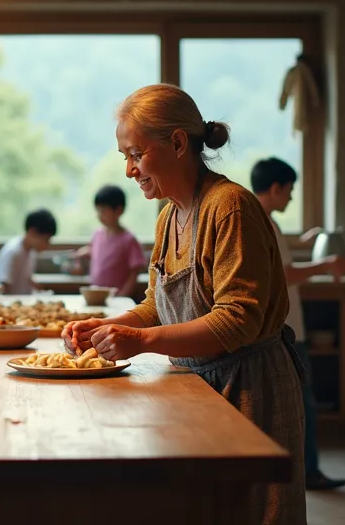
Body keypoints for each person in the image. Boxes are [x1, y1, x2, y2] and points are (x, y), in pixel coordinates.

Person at [63, 84, 306, 525]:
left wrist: (139, 340)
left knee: (254, 512)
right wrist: (104, 326)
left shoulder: (229, 207)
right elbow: (157, 304)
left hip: (250, 389)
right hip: (197, 385)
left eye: (136, 154)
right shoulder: (170, 215)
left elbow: (238, 322)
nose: (129, 170)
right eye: (125, 157)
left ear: (177, 143)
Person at [251, 157, 345, 492]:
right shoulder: (265, 222)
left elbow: (278, 261)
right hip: (287, 330)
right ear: (276, 188)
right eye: (290, 190)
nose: (291, 198)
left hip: (275, 328)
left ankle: (294, 470)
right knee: (303, 403)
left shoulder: (258, 219)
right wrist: (326, 264)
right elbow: (283, 274)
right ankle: (308, 472)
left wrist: (303, 245)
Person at [72, 185, 147, 298]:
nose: (99, 215)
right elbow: (94, 251)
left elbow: (134, 273)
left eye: (103, 211)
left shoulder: (129, 240)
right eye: (97, 211)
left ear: (119, 210)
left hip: (117, 297)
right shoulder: (97, 235)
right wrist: (79, 258)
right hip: (96, 295)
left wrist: (123, 295)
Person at [0, 208, 56, 294]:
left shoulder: (31, 252)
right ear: (32, 232)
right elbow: (3, 285)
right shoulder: (14, 251)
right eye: (46, 239)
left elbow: (25, 277)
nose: (47, 245)